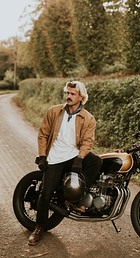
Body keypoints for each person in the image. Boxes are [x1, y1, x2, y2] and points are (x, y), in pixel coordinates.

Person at [28, 81, 102, 246]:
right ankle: (39, 228)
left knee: (96, 162)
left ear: (81, 97)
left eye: (72, 94)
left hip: (73, 155)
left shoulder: (88, 118)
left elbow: (87, 142)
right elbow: (43, 135)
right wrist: (42, 156)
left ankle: (77, 198)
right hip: (54, 157)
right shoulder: (54, 112)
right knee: (45, 194)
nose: (68, 96)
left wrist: (80, 158)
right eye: (67, 93)